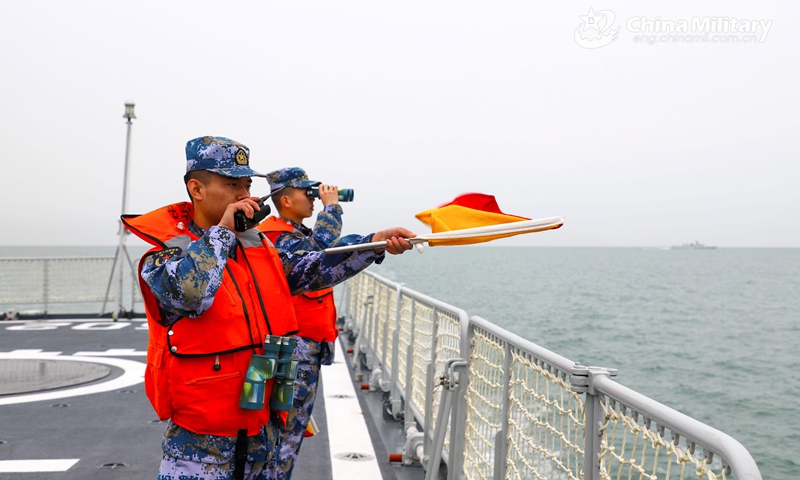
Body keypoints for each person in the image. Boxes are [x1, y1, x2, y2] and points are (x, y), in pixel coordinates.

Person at [121, 136, 414, 480]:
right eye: (232, 185)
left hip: (264, 437)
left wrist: (374, 243)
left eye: (247, 185)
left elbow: (311, 267)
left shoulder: (259, 248)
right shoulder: (164, 256)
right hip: (202, 450)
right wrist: (223, 232)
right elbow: (191, 292)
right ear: (196, 189)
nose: (245, 195)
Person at [257, 168, 349, 479]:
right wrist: (332, 208)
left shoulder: (293, 233)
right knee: (284, 437)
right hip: (294, 353)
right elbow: (318, 256)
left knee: (289, 436)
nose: (312, 199)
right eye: (306, 193)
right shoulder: (275, 235)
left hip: (304, 351)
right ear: (285, 199)